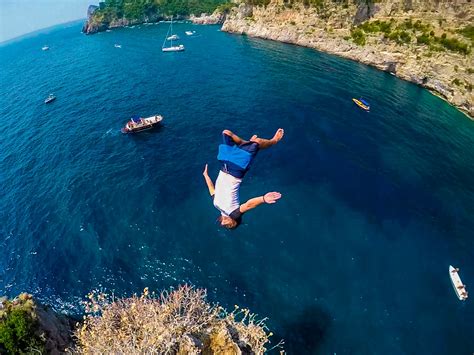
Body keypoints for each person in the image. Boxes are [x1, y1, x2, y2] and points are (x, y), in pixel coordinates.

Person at [203, 128, 284, 229]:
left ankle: (244, 143)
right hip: (237, 168)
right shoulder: (234, 213)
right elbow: (248, 205)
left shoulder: (217, 205)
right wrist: (263, 199)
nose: (224, 224)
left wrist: (206, 176)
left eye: (225, 226)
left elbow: (212, 190)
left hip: (224, 164)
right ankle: (274, 141)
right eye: (230, 225)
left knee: (226, 133)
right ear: (235, 222)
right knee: (257, 142)